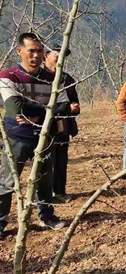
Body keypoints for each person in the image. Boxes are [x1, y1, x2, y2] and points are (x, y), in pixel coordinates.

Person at [0, 33, 71, 235]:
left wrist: (38, 114)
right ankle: (0, 222)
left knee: (45, 181)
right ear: (19, 51)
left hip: (45, 138)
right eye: (31, 50)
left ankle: (46, 215)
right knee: (7, 182)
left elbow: (65, 106)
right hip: (17, 137)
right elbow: (15, 108)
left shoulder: (53, 78)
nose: (36, 55)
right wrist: (47, 110)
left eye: (40, 51)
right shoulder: (9, 76)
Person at [44, 43, 80, 203]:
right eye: (56, 55)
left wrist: (74, 107)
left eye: (62, 56)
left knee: (61, 159)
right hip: (43, 125)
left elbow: (75, 103)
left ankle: (59, 191)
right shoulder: (39, 77)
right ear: (45, 56)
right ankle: (44, 195)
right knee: (45, 159)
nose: (60, 59)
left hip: (63, 125)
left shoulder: (67, 78)